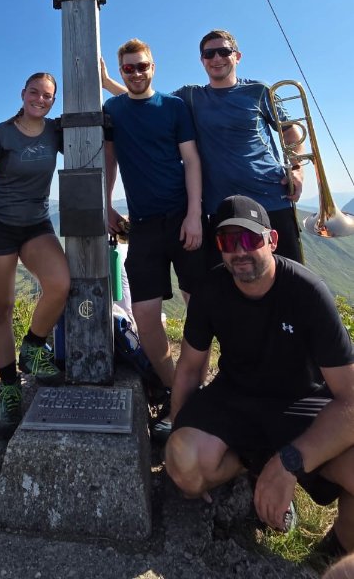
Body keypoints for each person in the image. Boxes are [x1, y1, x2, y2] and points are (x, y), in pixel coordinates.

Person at [165, 194, 354, 563]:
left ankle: (339, 545)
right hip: (236, 396)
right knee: (183, 465)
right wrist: (179, 427)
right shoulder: (210, 290)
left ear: (273, 240)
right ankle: (253, 464)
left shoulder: (307, 292)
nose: (240, 251)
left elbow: (350, 399)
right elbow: (188, 369)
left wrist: (289, 462)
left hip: (302, 403)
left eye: (250, 239)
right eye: (228, 241)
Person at [102, 28, 305, 262]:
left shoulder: (259, 91)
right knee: (230, 280)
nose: (216, 58)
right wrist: (108, 83)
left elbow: (291, 131)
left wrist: (297, 168)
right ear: (202, 60)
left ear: (237, 56)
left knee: (288, 273)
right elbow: (147, 103)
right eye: (209, 54)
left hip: (271, 199)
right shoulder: (191, 96)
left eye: (224, 52)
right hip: (220, 209)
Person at [104, 38, 210, 442]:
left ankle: (195, 392)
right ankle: (174, 389)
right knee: (145, 316)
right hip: (144, 224)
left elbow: (192, 161)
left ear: (153, 66)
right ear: (121, 71)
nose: (136, 73)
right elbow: (110, 161)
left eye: (142, 66)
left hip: (182, 217)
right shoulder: (113, 110)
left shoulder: (174, 107)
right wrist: (105, 204)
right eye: (128, 68)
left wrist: (194, 215)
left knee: (198, 308)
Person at [0, 72, 70, 439]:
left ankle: (33, 348)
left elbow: (97, 130)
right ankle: (10, 387)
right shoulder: (2, 133)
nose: (40, 99)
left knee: (60, 283)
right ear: (22, 94)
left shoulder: (55, 131)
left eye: (47, 96)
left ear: (53, 101)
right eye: (34, 93)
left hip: (36, 223)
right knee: (2, 307)